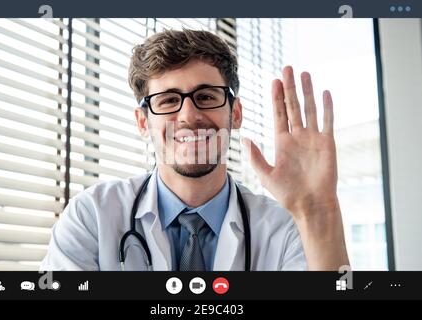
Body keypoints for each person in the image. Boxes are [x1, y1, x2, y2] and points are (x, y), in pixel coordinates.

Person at [40, 29, 349, 271]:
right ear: (143, 122)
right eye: (168, 100)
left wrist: (318, 211)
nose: (188, 116)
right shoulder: (92, 216)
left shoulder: (285, 227)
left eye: (206, 96)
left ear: (235, 113)